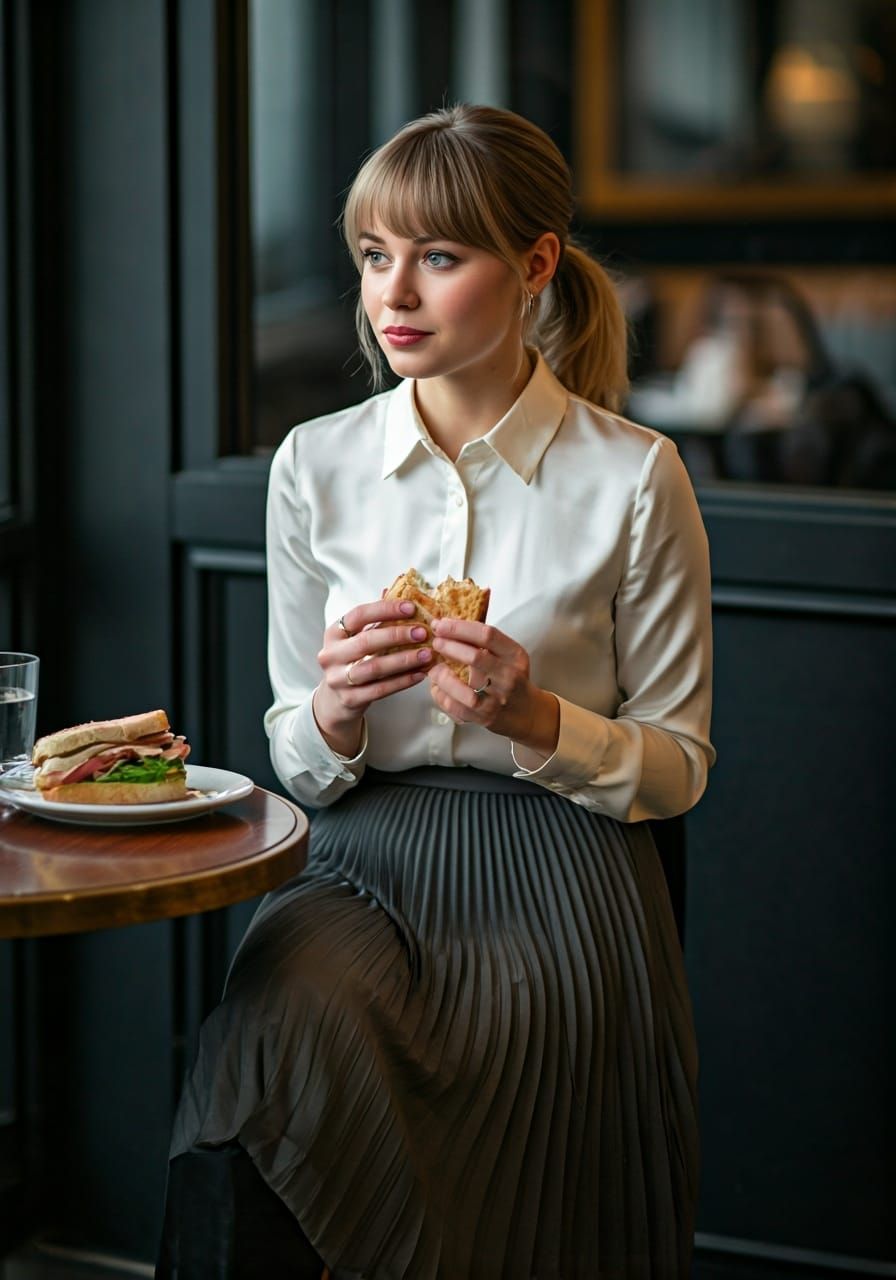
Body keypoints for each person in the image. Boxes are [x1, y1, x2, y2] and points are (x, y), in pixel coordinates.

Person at [156, 103, 715, 1279]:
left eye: (438, 257)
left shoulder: (633, 476)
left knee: (527, 1075)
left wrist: (535, 720)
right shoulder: (314, 463)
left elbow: (678, 763)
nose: (391, 293)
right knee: (269, 1034)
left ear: (534, 266)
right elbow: (294, 758)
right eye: (373, 255)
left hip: (560, 865)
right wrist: (333, 714)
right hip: (359, 857)